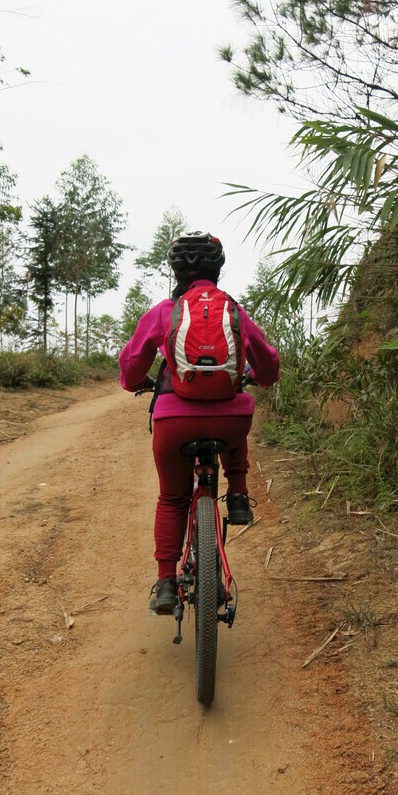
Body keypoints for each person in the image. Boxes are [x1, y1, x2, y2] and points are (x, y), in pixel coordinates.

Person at [119, 230, 280, 615]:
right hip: (229, 424)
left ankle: (166, 583)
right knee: (237, 407)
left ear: (175, 272)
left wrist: (138, 382)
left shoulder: (163, 313)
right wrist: (255, 376)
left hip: (174, 423)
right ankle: (238, 495)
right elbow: (269, 366)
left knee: (173, 498)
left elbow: (129, 368)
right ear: (217, 270)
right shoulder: (234, 311)